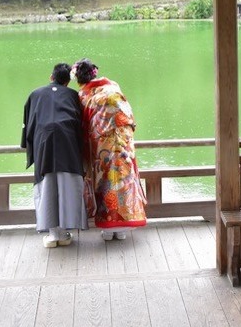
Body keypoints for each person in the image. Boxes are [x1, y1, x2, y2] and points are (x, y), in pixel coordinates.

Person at [73, 58, 147, 240]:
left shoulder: (84, 95)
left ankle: (107, 228)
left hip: (102, 145)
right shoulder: (113, 87)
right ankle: (123, 228)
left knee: (105, 182)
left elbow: (83, 124)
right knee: (124, 179)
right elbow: (128, 115)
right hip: (123, 141)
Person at [21, 63, 87, 248]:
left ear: (51, 77)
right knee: (68, 185)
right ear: (68, 82)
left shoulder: (35, 94)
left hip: (44, 143)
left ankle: (53, 234)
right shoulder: (73, 95)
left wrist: (29, 146)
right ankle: (65, 231)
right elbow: (82, 125)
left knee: (48, 185)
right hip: (68, 142)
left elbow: (28, 124)